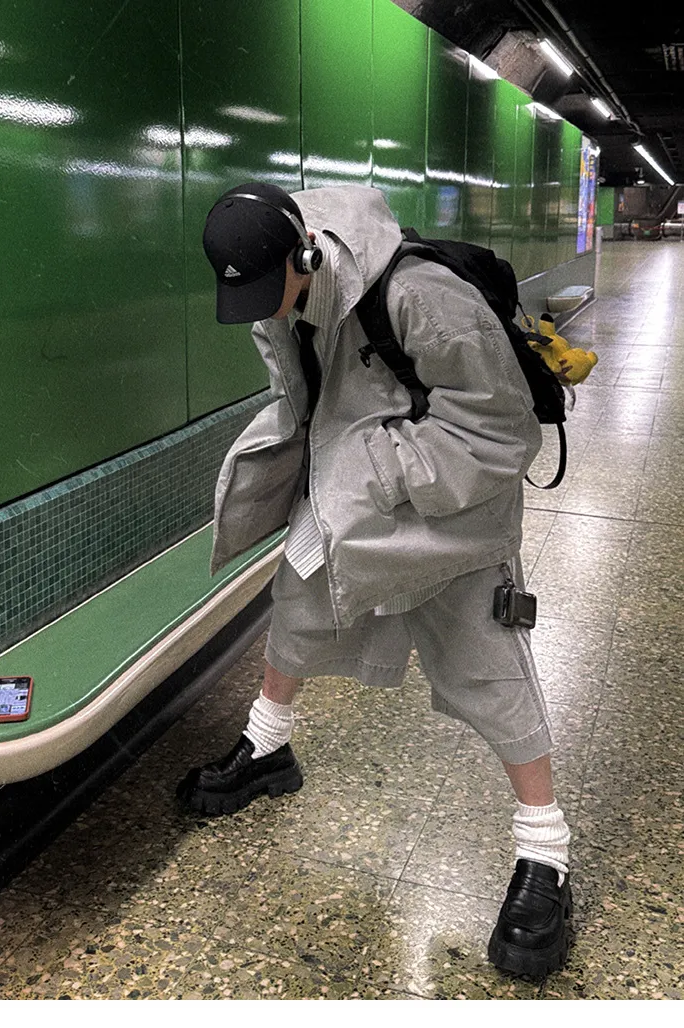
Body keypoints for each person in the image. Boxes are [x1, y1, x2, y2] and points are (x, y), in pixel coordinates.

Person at [177, 181, 572, 979]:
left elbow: (502, 430)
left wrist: (377, 473)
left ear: (306, 252)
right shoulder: (286, 289)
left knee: (487, 663)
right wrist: (325, 474)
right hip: (355, 489)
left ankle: (546, 851)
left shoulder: (423, 296)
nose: (261, 307)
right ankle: (267, 746)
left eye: (270, 288)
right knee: (297, 603)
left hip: (451, 506)